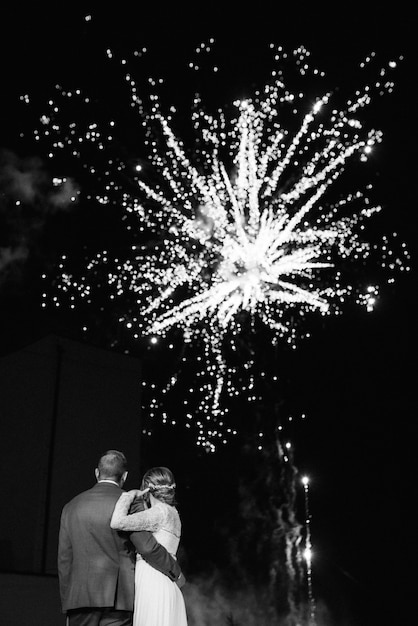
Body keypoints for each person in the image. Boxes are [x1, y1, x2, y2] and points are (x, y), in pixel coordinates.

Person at [58, 450, 183, 625]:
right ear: (124, 476)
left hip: (79, 599)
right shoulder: (130, 502)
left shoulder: (70, 507)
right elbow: (147, 546)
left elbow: (65, 561)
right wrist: (175, 571)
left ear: (96, 472)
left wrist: (69, 601)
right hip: (118, 600)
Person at [110, 466, 188, 626]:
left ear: (146, 488)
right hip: (168, 582)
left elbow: (117, 522)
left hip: (153, 580)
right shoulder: (174, 513)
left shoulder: (158, 513)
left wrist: (128, 496)